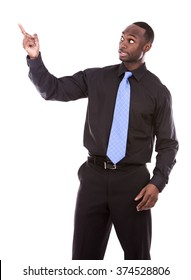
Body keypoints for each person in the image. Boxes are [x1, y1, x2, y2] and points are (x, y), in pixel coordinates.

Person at [19, 22, 178, 260]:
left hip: (133, 184)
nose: (123, 42)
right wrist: (34, 58)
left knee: (137, 259)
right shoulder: (96, 77)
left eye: (131, 40)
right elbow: (53, 90)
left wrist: (157, 182)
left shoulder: (157, 91)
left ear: (147, 46)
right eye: (122, 37)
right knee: (83, 258)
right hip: (93, 178)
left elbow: (168, 144)